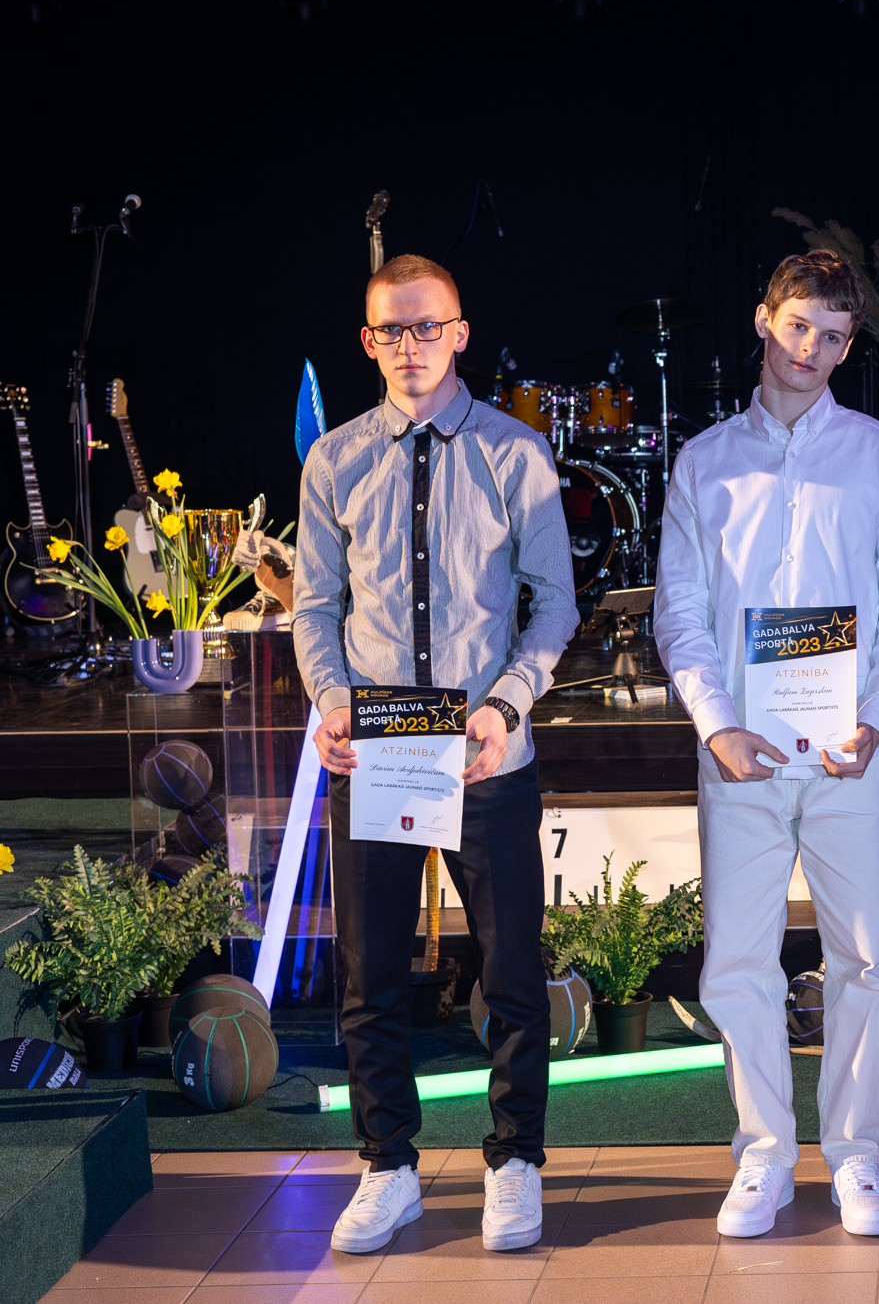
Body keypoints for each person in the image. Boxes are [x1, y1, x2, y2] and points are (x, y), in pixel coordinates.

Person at [294, 253, 579, 1254]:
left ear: (460, 332)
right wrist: (332, 701)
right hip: (377, 755)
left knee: (512, 973)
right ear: (367, 341)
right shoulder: (332, 460)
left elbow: (556, 605)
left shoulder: (516, 452)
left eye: (427, 326)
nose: (408, 345)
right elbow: (314, 608)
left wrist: (505, 705)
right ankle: (388, 1167)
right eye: (390, 329)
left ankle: (515, 1161)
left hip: (485, 754)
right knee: (370, 975)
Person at [652, 250, 879, 1239]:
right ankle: (764, 1156)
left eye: (833, 335)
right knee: (736, 962)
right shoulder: (703, 463)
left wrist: (878, 716)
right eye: (798, 326)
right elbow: (679, 613)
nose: (811, 348)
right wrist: (716, 724)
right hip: (741, 753)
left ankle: (857, 1158)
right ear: (764, 321)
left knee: (864, 961)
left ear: (849, 348)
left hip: (850, 752)